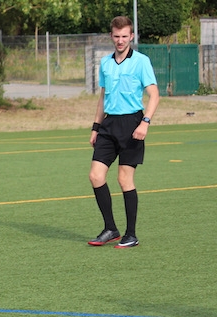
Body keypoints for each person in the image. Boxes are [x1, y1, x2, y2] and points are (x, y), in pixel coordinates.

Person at [87, 15, 159, 249]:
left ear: (131, 36)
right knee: (96, 176)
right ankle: (111, 229)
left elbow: (154, 95)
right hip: (108, 125)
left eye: (124, 36)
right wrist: (96, 127)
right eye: (116, 36)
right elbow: (102, 98)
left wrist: (145, 122)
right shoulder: (105, 63)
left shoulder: (141, 61)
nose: (120, 40)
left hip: (132, 124)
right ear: (111, 36)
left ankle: (131, 235)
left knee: (124, 179)